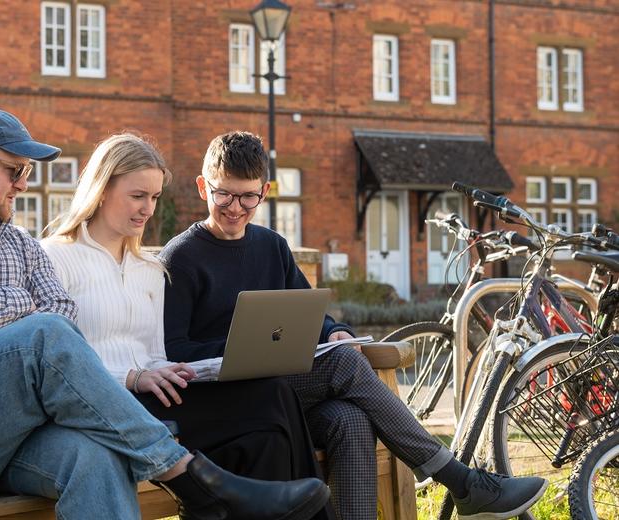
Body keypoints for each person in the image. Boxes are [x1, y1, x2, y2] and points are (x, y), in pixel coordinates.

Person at [0, 106, 330, 520]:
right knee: (42, 332)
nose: (22, 185)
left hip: (15, 437)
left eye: (26, 173)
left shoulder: (19, 246)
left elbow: (61, 317)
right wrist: (17, 307)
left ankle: (196, 485)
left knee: (97, 456)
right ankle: (188, 476)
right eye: (14, 170)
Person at [159, 131, 549, 520]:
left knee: (350, 419)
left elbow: (307, 314)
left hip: (280, 394)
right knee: (344, 365)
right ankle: (459, 479)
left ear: (264, 192)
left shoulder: (271, 246)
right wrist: (240, 352)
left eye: (248, 197)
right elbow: (173, 349)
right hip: (224, 399)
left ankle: (461, 484)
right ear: (202, 186)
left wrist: (334, 332)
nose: (235, 207)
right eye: (223, 194)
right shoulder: (181, 257)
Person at [41, 132, 334, 519]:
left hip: (157, 394)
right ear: (101, 189)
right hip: (106, 403)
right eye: (137, 196)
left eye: (154, 198)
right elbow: (54, 361)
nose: (147, 209)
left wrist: (172, 370)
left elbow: (158, 352)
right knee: (267, 402)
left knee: (266, 423)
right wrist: (132, 376)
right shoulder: (55, 258)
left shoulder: (149, 269)